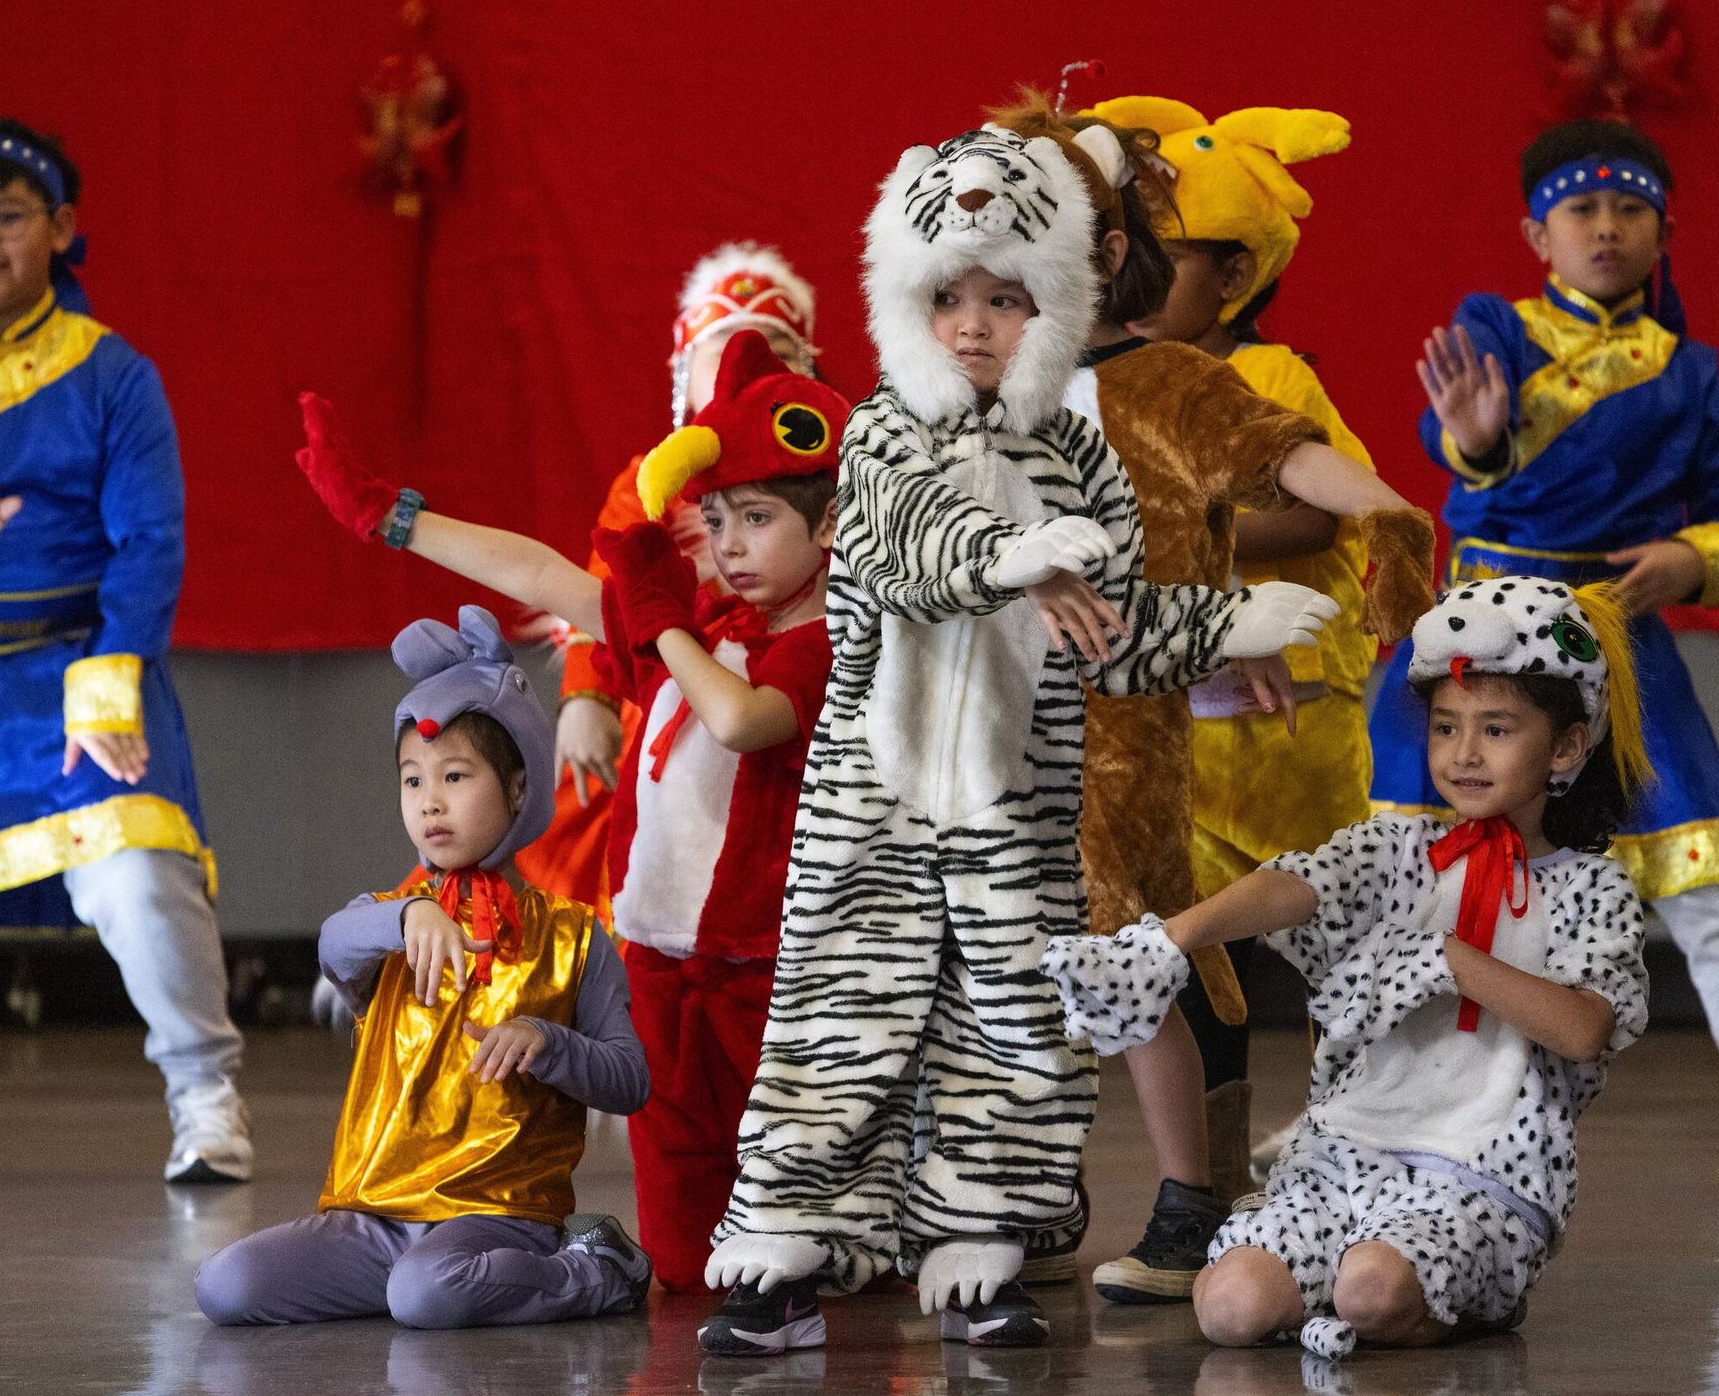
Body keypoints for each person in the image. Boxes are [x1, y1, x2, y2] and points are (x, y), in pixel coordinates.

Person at [697, 120, 1339, 1355]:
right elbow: (913, 548)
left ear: (1057, 295)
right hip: (873, 802)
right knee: (842, 1012)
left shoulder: (1079, 453)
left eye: (1006, 295)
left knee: (1011, 1021)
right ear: (908, 299)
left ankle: (980, 1251)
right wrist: (1008, 558)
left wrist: (1218, 625)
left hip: (1017, 800)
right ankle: (782, 1256)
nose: (976, 322)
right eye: (949, 295)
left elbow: (1108, 627)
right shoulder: (882, 432)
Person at [980, 93, 1433, 1307]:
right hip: (978, 726)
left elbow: (1283, 456)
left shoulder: (1167, 381)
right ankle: (1001, 1194)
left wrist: (1377, 504)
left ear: (1106, 253)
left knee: (1130, 948)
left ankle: (1195, 1198)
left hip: (1118, 725)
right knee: (981, 968)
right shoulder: (967, 390)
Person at [1368, 118, 1719, 1192]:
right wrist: (1472, 438)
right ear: (1534, 232)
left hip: (1619, 649)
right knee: (1415, 885)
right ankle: (1361, 1106)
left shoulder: (1689, 375)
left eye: (1627, 210)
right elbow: (1447, 446)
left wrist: (1694, 560)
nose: (1603, 229)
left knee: (1709, 881)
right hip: (1484, 640)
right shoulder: (1490, 330)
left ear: (1662, 230)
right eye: (1580, 211)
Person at [292, 328, 846, 1295]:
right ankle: (596, 1261)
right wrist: (395, 517)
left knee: (802, 1260)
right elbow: (547, 577)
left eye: (755, 518)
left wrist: (662, 621)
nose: (727, 547)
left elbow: (743, 716)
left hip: (779, 980)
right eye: (714, 521)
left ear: (832, 521)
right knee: (686, 1266)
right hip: (663, 974)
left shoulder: (826, 639)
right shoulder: (703, 631)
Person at [1047, 577, 1652, 1358]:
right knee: (1230, 1308)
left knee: (1371, 1290)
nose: (1464, 753)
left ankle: (1462, 1299)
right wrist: (1170, 937)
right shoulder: (1401, 851)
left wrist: (1450, 959)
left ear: (1566, 746)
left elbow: (1583, 1027)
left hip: (1474, 1176)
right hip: (1347, 1155)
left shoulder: (1590, 886)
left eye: (1496, 729)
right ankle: (1311, 1276)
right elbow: (1298, 883)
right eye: (1445, 727)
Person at [0, 119, 249, 1183]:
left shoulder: (114, 378)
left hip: (74, 675)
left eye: (7, 214)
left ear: (60, 228)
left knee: (141, 879)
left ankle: (206, 1095)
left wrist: (110, 685)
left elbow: (152, 542)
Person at [194, 606, 651, 1326]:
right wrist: (407, 915)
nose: (430, 801)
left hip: (498, 1212)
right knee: (226, 1286)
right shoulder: (385, 922)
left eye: (456, 775)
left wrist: (549, 1042)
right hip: (375, 1214)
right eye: (412, 780)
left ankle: (592, 1269)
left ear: (521, 788)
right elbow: (333, 943)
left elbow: (630, 1079)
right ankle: (447, 1282)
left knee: (425, 1293)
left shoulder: (572, 937)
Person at [1106, 94, 1386, 1199]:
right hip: (1181, 724)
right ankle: (1209, 1183)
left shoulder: (1273, 379)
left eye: (1164, 262)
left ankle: (1355, 1160)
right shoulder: (1125, 384)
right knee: (1188, 958)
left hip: (1288, 725)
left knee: (1333, 941)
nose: (1134, 286)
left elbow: (1319, 516)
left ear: (1234, 277)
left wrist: (1178, 535)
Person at [522, 243, 822, 915]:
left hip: (798, 709)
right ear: (684, 377)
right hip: (670, 711)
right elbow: (605, 594)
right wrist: (585, 701)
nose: (744, 359)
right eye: (720, 347)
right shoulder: (646, 486)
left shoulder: (839, 474)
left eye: (772, 343)